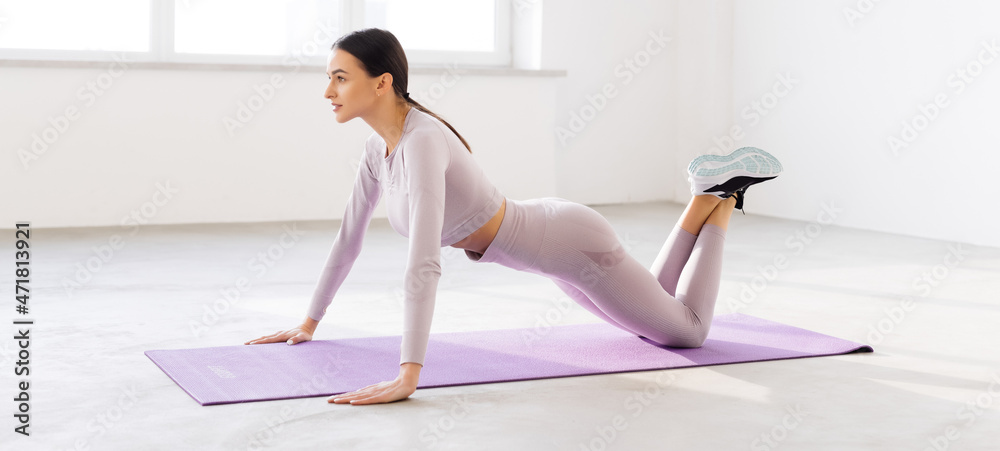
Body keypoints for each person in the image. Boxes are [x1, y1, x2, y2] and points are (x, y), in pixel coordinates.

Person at [246, 27, 782, 405]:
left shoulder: (424, 140)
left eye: (339, 78)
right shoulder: (377, 151)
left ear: (381, 82)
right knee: (654, 321)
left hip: (571, 244)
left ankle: (718, 199)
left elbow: (424, 262)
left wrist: (409, 373)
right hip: (554, 255)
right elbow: (348, 241)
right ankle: (708, 193)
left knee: (685, 334)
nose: (328, 91)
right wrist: (309, 322)